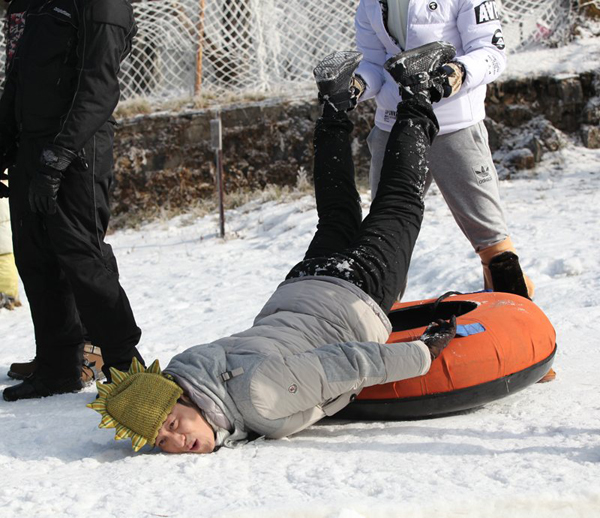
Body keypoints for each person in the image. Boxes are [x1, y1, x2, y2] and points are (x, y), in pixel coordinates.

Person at [88, 43, 459, 454]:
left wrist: (422, 354)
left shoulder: (258, 399)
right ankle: (334, 103)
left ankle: (417, 88)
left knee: (400, 202)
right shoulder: (190, 368)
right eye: (161, 441)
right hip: (299, 287)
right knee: (337, 212)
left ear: (180, 398)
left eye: (172, 423)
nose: (177, 440)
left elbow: (349, 363)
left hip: (355, 293)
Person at [1, 0, 144, 402]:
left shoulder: (103, 4)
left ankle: (126, 371)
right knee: (35, 260)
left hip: (78, 149)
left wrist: (59, 156)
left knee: (82, 260)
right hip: (30, 146)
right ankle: (58, 368)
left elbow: (99, 89)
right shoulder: (42, 4)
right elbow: (18, 81)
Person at [352, 0, 535, 300]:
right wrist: (356, 84)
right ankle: (381, 313)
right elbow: (374, 65)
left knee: (492, 241)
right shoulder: (369, 3)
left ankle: (515, 307)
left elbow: (491, 51)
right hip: (395, 124)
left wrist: (458, 72)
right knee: (385, 236)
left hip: (455, 124)